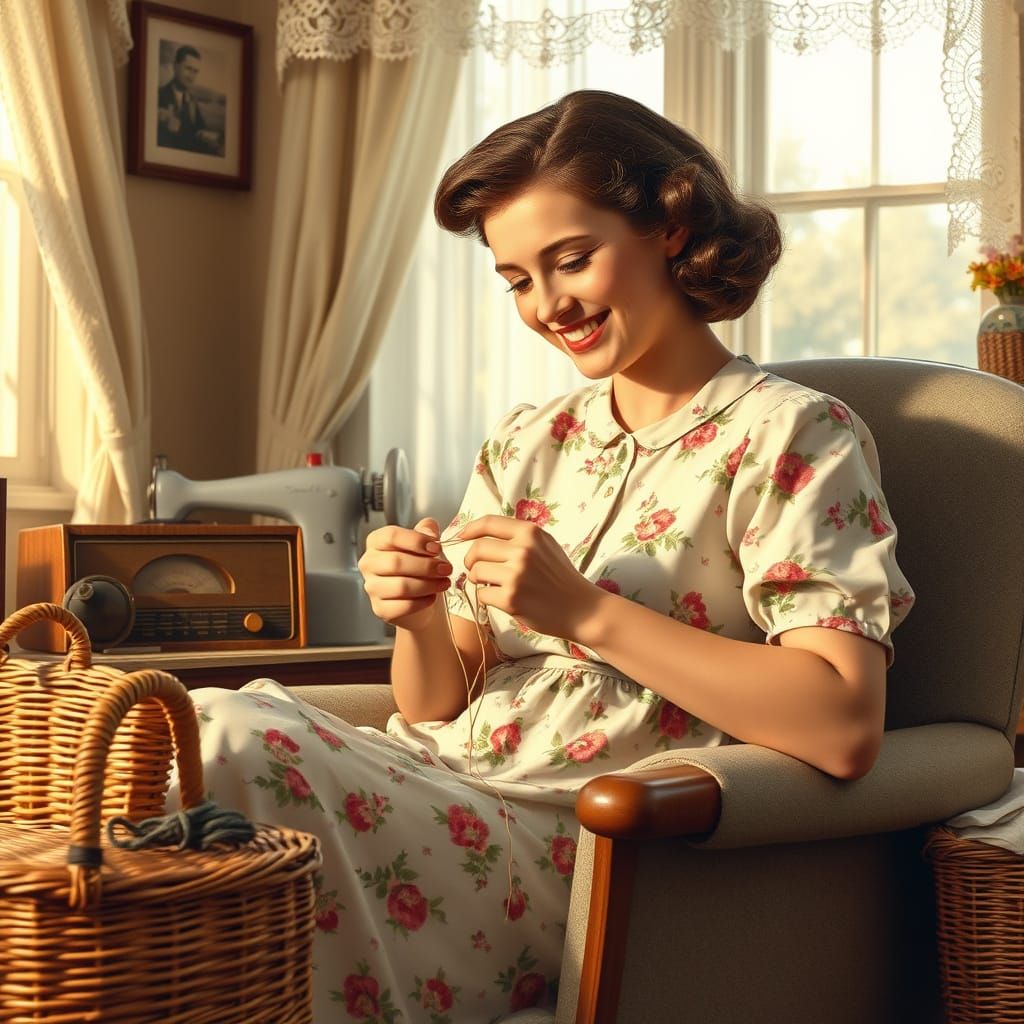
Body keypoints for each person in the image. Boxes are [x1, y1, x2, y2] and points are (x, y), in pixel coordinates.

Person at [176, 90, 914, 1021]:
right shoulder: (528, 440)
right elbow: (438, 698)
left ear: (672, 224)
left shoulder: (794, 434)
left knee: (237, 738)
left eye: (572, 260)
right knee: (192, 727)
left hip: (582, 846)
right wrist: (414, 621)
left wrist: (587, 614)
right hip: (440, 790)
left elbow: (843, 719)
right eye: (518, 278)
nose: (547, 305)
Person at [157, 45, 221, 154]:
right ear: (175, 66)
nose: (191, 76)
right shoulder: (159, 95)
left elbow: (199, 128)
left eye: (195, 71)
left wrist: (204, 135)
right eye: (188, 69)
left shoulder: (191, 100)